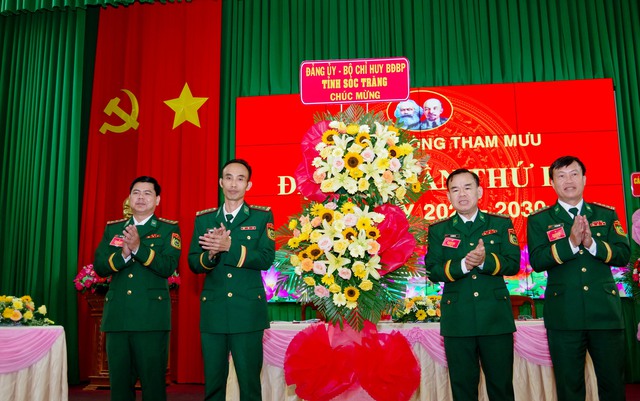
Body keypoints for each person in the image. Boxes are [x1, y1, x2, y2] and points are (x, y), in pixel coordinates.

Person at [527, 155, 630, 401]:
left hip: (604, 313)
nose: (569, 180)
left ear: (584, 179)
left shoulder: (605, 214)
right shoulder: (539, 220)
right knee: (569, 387)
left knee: (613, 384)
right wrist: (571, 243)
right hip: (564, 315)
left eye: (574, 174)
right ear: (552, 183)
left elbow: (623, 254)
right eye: (561, 176)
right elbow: (538, 261)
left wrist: (592, 244)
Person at [424, 169, 519, 401]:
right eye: (455, 189)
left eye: (467, 188)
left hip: (495, 320)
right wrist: (464, 265)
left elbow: (513, 263)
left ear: (479, 191)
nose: (462, 194)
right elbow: (433, 270)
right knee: (463, 391)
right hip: (458, 321)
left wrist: (485, 261)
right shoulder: (439, 230)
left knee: (501, 389)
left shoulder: (500, 223)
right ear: (448, 196)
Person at [188, 159, 276, 401]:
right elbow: (194, 263)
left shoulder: (261, 216)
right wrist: (210, 254)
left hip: (247, 312)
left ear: (249, 185)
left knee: (249, 386)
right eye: (228, 178)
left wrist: (230, 247)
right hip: (214, 311)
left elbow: (266, 258)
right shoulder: (204, 220)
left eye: (240, 179)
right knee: (214, 385)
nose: (233, 184)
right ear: (220, 182)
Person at [94, 176, 182, 401]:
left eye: (147, 193)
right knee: (120, 387)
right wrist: (124, 254)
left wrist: (139, 248)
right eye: (136, 192)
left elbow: (167, 266)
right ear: (129, 197)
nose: (141, 197)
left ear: (157, 199)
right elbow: (100, 267)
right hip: (118, 318)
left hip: (150, 320)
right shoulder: (114, 228)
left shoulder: (168, 229)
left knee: (153, 387)